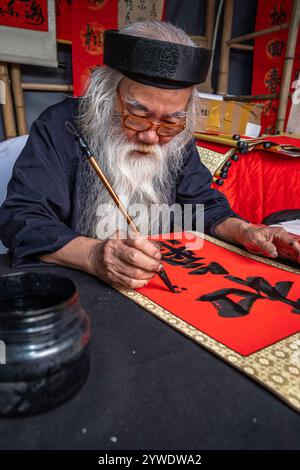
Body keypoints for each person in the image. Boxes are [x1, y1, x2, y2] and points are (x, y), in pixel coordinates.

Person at [0, 21, 299, 290]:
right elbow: (22, 219)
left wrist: (246, 231)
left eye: (170, 121)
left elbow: (200, 203)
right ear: (106, 95)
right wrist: (93, 255)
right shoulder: (60, 127)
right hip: (82, 283)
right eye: (137, 114)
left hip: (156, 280)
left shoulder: (177, 136)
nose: (152, 136)